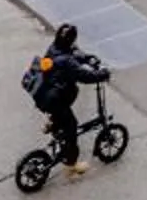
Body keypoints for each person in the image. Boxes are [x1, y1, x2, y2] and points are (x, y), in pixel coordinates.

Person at [25, 23, 111, 180]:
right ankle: (71, 166)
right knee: (71, 128)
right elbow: (84, 76)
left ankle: (53, 122)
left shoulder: (54, 49)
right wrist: (102, 74)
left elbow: (73, 53)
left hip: (45, 96)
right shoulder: (67, 62)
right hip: (55, 100)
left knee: (65, 106)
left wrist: (86, 58)